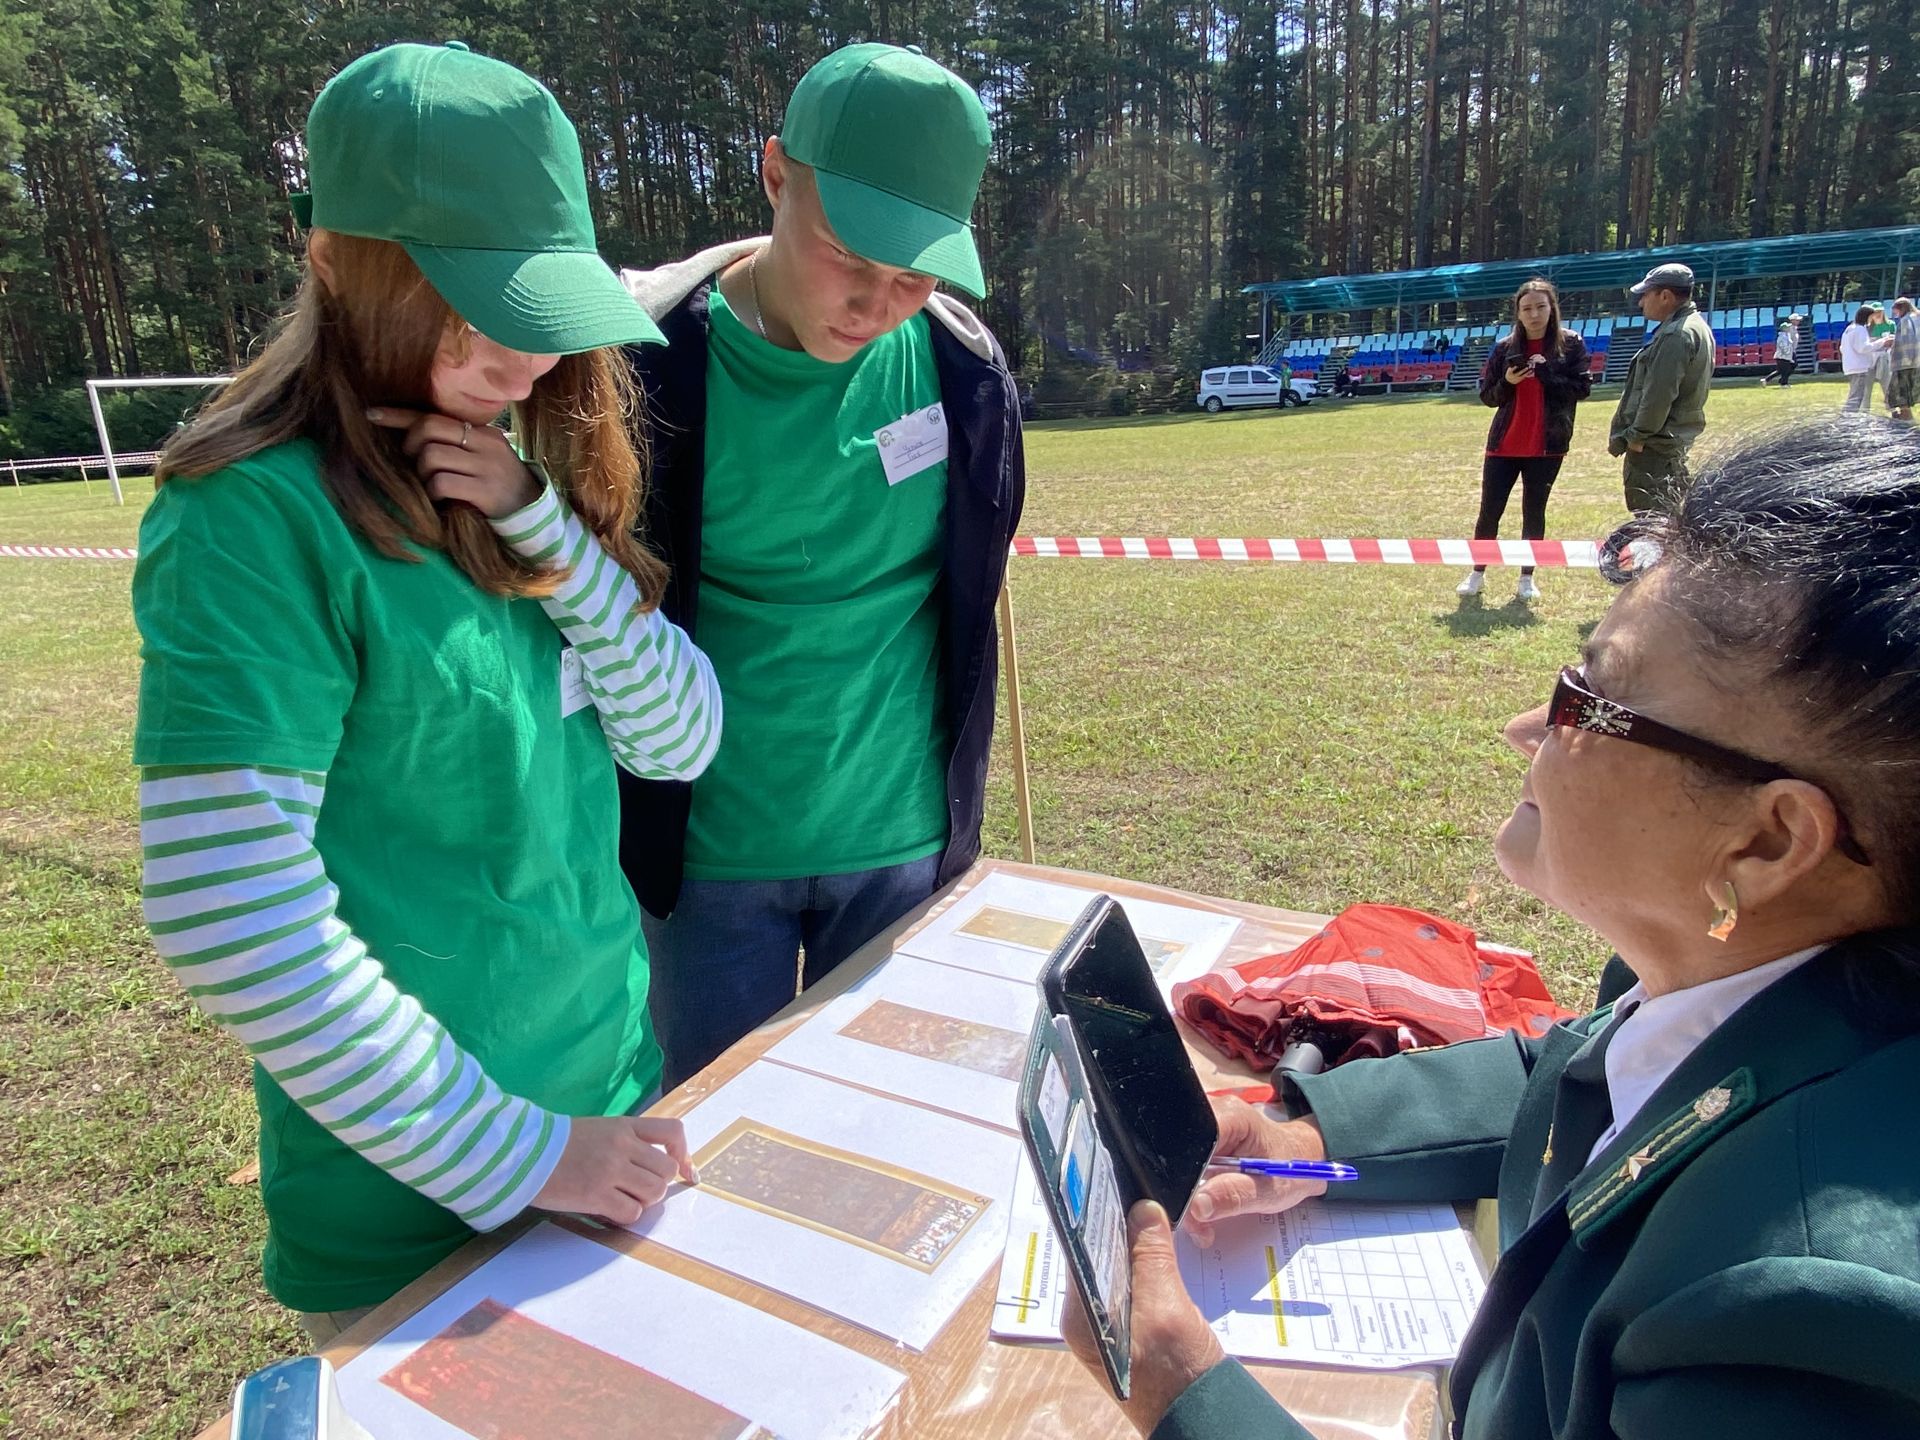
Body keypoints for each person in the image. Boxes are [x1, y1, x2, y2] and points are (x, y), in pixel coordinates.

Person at [1067, 417, 1920, 1439]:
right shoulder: (1745, 970)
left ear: (1768, 843)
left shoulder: (1792, 1311)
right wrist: (1313, 1131)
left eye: (1591, 696)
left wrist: (1181, 1390)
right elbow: (1582, 1074)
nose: (1529, 726)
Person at [131, 42, 720, 1342]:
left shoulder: (527, 461)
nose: (523, 352)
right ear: (336, 265)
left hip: (609, 1111)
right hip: (414, 1207)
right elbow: (226, 907)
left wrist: (554, 541)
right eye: (470, 298)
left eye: (543, 301)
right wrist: (525, 1156)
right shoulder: (250, 514)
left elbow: (679, 739)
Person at [612, 44, 1026, 1090]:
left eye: (914, 272)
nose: (877, 302)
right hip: (706, 858)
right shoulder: (645, 365)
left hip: (902, 846)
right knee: (713, 1147)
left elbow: (970, 592)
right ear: (774, 174)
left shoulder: (963, 371)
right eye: (850, 254)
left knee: (895, 1124)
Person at [1457, 278, 1591, 603]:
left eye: (1541, 307)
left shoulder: (1571, 344)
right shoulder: (1505, 348)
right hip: (1504, 445)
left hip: (1547, 446)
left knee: (1534, 511)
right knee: (1490, 511)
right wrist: (1507, 382)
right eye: (1527, 308)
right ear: (1517, 312)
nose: (1534, 315)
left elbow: (1582, 389)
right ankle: (1477, 572)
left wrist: (1548, 377)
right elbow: (1488, 396)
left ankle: (1526, 578)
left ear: (1552, 309)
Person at [1607, 262, 1714, 513]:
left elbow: (1657, 397)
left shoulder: (1675, 335)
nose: (1641, 302)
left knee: (1652, 522)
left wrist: (1636, 437)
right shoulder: (1694, 327)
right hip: (1669, 444)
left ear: (1665, 296)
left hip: (1656, 447)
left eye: (1646, 295)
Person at [1840, 303, 1891, 412]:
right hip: (1859, 367)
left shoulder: (1849, 329)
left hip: (1850, 366)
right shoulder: (1860, 329)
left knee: (1855, 395)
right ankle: (1848, 419)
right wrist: (1882, 342)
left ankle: (1848, 417)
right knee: (1856, 397)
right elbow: (1863, 348)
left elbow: (1842, 348)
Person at [1890, 297, 1920, 421]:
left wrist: (1907, 360)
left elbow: (1908, 341)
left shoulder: (1906, 320)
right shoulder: (1917, 318)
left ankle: (1907, 419)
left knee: (1901, 394)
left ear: (1901, 308)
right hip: (1917, 362)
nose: (1896, 315)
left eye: (1896, 311)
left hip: (1905, 363)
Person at [1761, 312, 1802, 387]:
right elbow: (1786, 342)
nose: (1798, 321)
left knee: (1782, 369)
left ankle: (1769, 380)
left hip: (1791, 350)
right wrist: (1789, 351)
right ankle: (1783, 382)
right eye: (1797, 320)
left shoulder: (1794, 328)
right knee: (1789, 367)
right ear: (1792, 320)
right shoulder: (1788, 329)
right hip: (1787, 352)